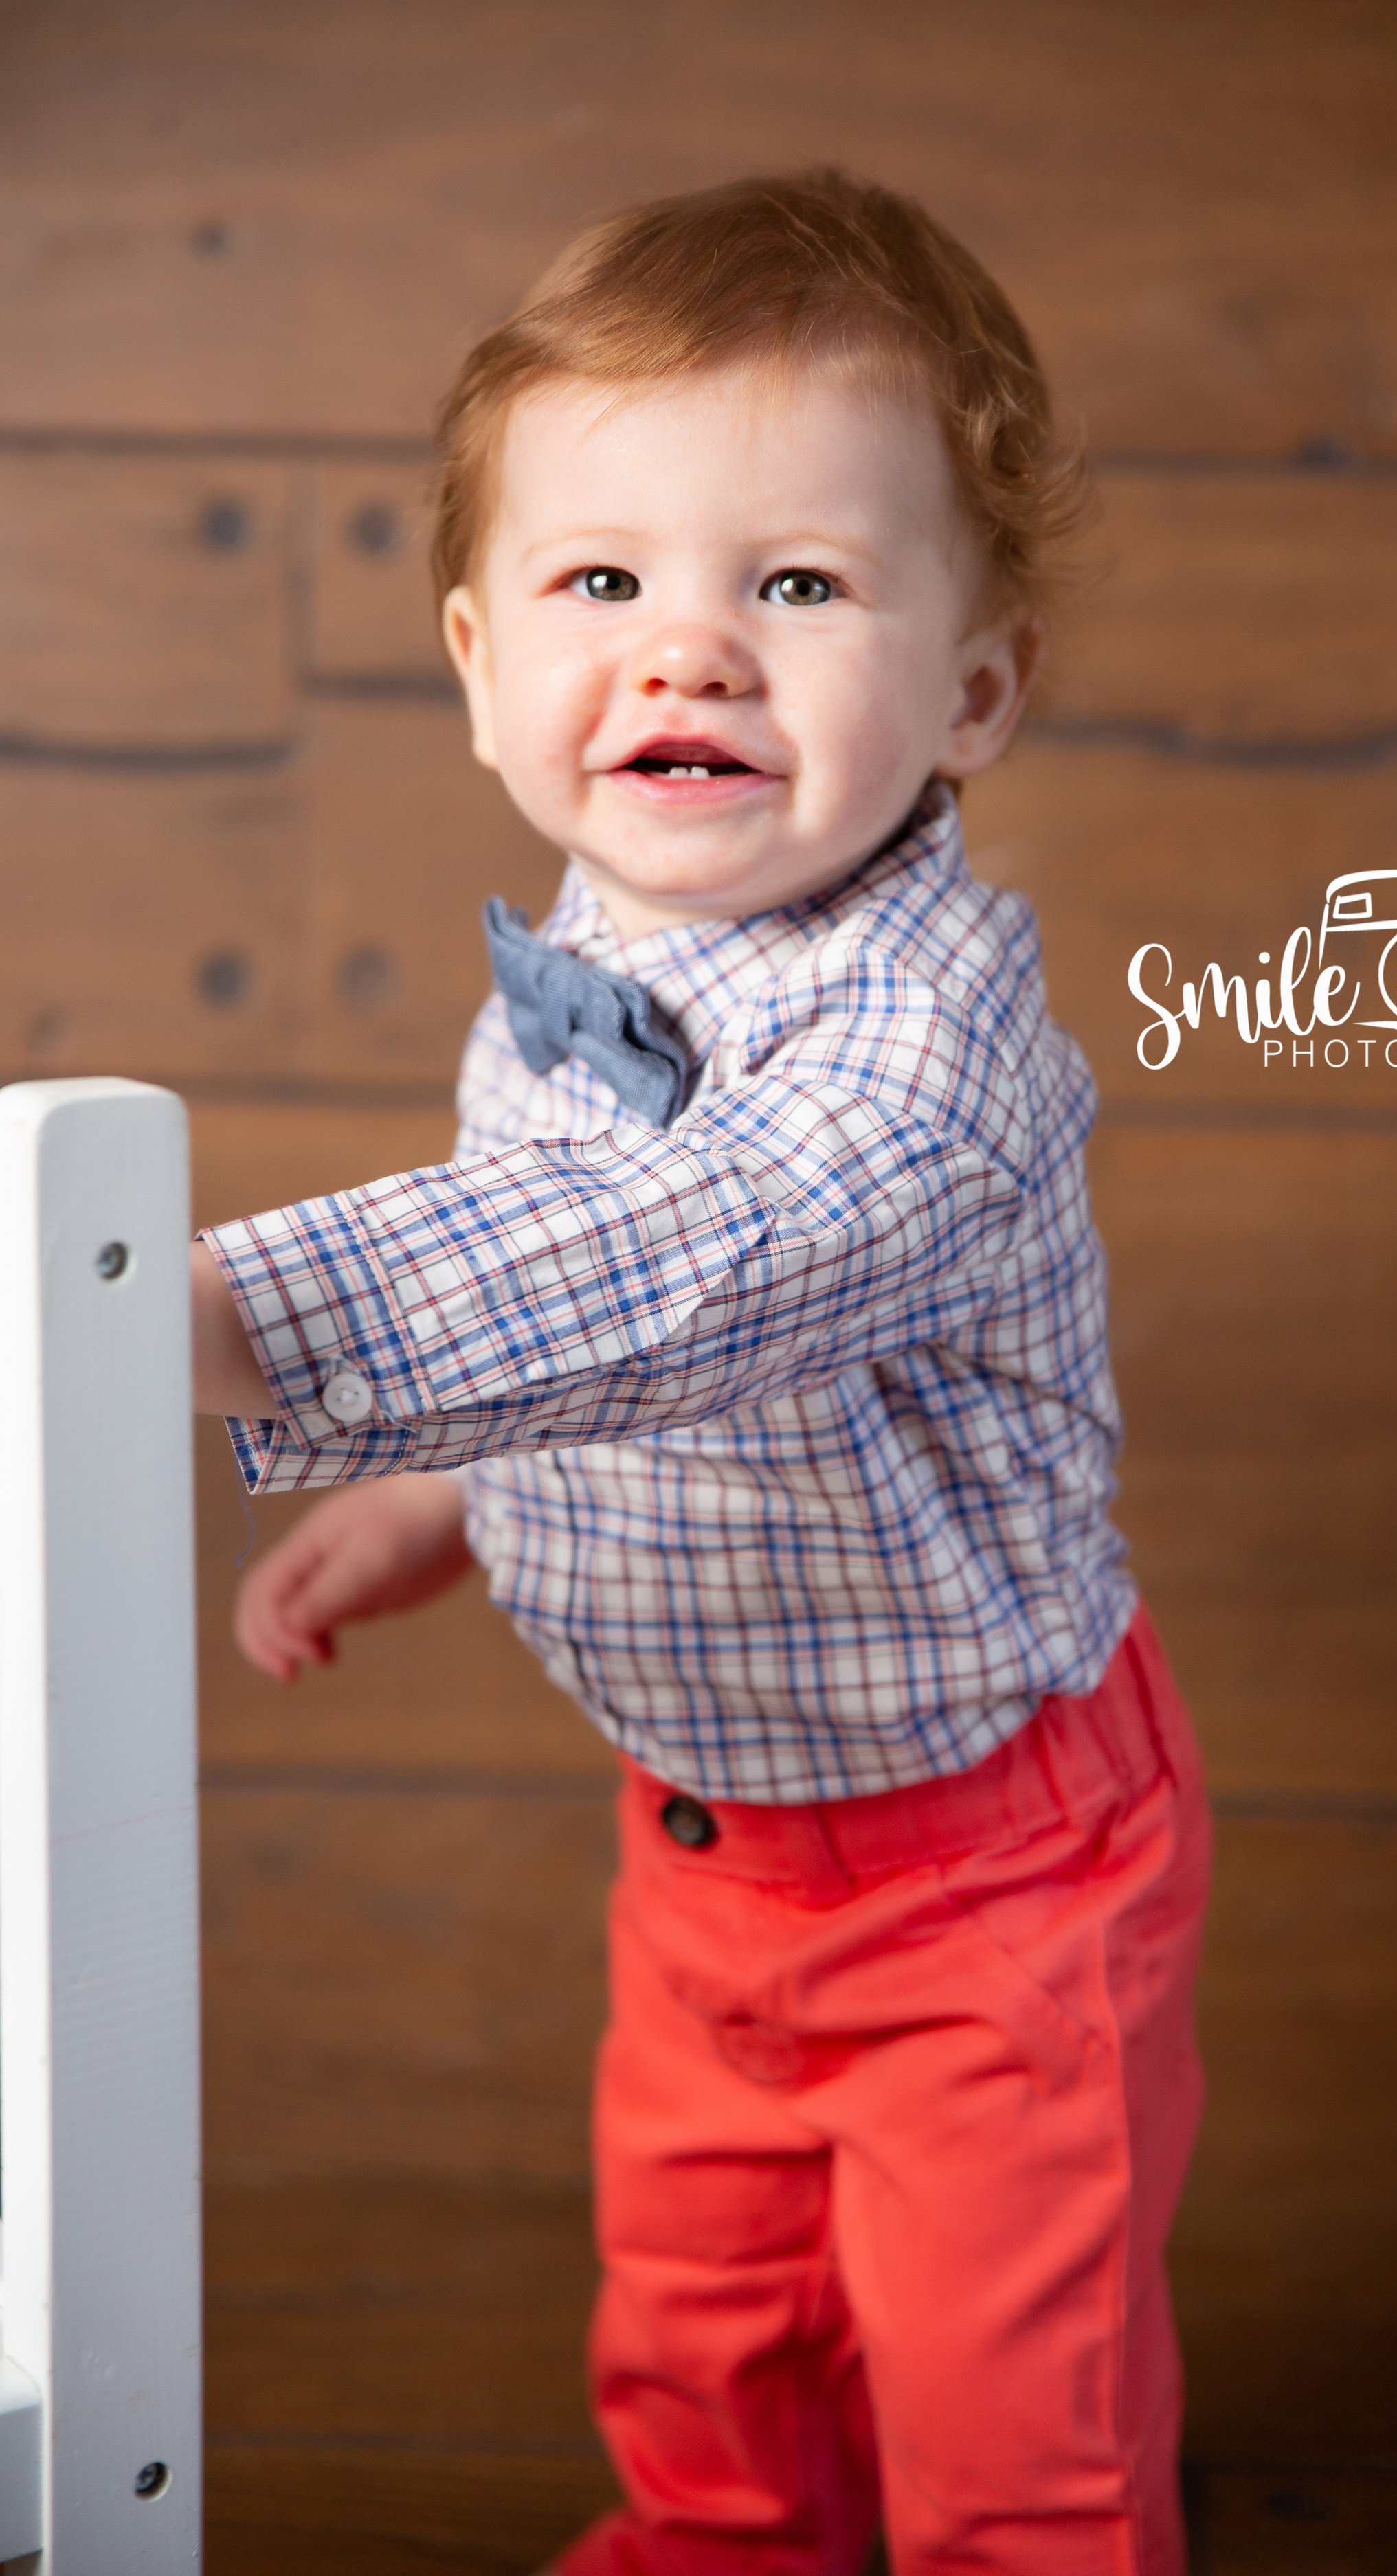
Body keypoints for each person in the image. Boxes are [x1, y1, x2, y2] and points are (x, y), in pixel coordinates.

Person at [191, 169, 1211, 2576]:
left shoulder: (923, 1050)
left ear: (974, 687)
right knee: (705, 2329)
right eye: (600, 582)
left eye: (798, 584)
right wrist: (457, 1494)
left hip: (994, 1879)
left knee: (1007, 2421)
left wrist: (188, 1305)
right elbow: (588, 1312)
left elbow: (695, 1265)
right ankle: (721, 2540)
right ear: (472, 662)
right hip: (705, 1846)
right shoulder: (587, 939)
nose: (689, 656)